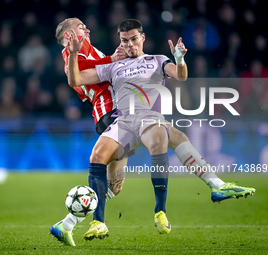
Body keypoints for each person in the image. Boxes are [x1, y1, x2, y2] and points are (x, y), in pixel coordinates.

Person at [50, 18, 255, 246]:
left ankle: (162, 209)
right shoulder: (109, 65)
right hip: (118, 119)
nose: (128, 45)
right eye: (124, 41)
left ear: (143, 38)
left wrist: (179, 58)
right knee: (106, 168)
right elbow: (75, 79)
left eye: (133, 39)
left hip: (147, 118)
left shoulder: (157, 60)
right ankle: (91, 222)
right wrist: (82, 56)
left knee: (127, 175)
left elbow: (181, 75)